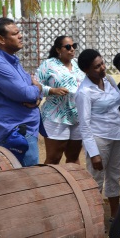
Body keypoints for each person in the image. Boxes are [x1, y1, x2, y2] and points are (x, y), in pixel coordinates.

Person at [76, 49, 120, 219]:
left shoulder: (109, 80)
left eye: (102, 63)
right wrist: (93, 153)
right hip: (98, 139)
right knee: (96, 180)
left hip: (117, 136)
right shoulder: (84, 92)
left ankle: (115, 216)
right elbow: (84, 125)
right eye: (97, 67)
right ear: (86, 70)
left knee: (115, 176)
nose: (102, 68)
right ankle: (95, 219)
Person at [0, 17, 43, 166]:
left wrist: (36, 94)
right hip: (14, 133)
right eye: (15, 34)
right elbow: (27, 93)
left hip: (24, 130)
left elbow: (30, 90)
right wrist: (37, 88)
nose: (20, 36)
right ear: (1, 39)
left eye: (19, 32)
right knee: (26, 182)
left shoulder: (12, 61)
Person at [35, 36, 85, 164]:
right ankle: (50, 184)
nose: (72, 49)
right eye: (68, 47)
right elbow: (35, 84)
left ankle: (73, 183)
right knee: (54, 158)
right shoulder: (48, 64)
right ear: (58, 49)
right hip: (56, 116)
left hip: (77, 115)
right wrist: (52, 90)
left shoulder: (78, 64)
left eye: (74, 46)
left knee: (73, 158)